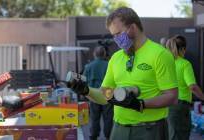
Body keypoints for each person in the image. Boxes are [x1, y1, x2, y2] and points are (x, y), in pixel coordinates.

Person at [67, 7, 178, 140]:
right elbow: (104, 95)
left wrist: (140, 104)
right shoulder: (116, 58)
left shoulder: (160, 54)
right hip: (119, 129)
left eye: (118, 33)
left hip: (150, 130)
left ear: (132, 27)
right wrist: (85, 90)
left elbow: (172, 97)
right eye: (113, 35)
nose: (116, 39)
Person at [165, 35, 204, 140]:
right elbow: (192, 87)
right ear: (182, 49)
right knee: (180, 136)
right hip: (180, 107)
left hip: (166, 105)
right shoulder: (185, 64)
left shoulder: (166, 64)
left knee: (171, 135)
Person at [83, 46, 113, 140]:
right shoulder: (109, 65)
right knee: (108, 118)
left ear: (94, 54)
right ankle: (108, 136)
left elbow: (83, 81)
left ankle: (94, 136)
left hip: (94, 95)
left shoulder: (88, 66)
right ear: (104, 54)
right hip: (107, 94)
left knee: (95, 118)